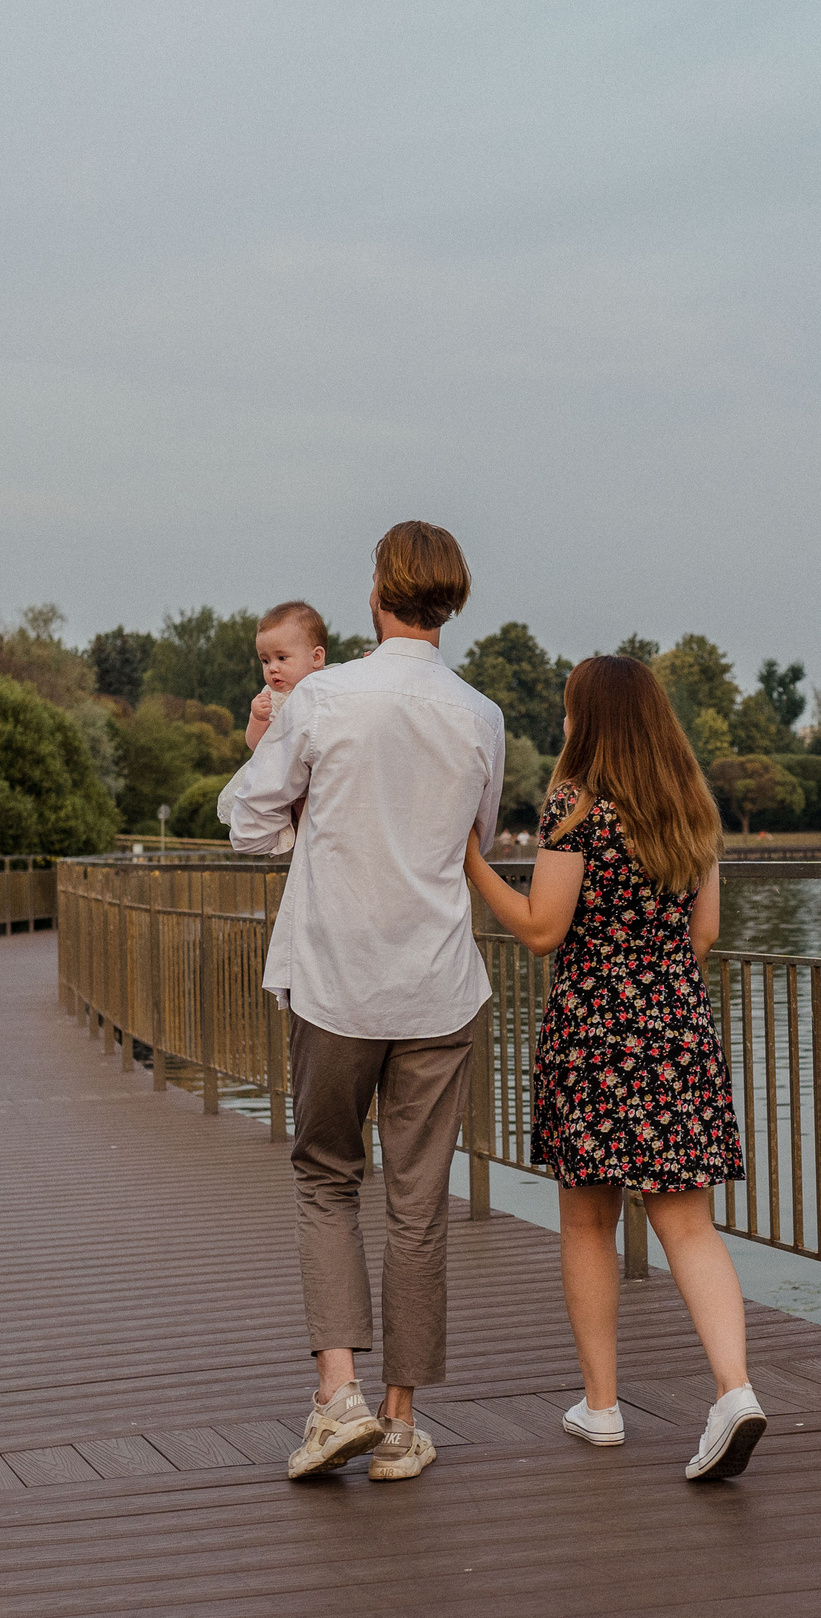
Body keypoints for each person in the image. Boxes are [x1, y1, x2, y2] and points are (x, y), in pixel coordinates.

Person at [223, 521, 504, 1483]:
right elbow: (480, 837)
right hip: (436, 984)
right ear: (450, 600)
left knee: (326, 1179)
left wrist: (289, 791)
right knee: (419, 1206)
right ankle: (399, 1421)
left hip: (336, 978)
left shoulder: (323, 697)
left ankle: (334, 1395)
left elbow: (248, 819)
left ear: (379, 589)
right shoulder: (480, 714)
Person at [461, 654, 767, 1482]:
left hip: (595, 1032)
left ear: (587, 719)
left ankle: (601, 1406)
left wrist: (473, 864)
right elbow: (702, 933)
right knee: (691, 1227)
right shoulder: (691, 806)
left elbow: (540, 928)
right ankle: (734, 1390)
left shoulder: (576, 803)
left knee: (589, 1222)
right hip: (678, 1031)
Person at [244, 599, 331, 750]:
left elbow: (357, 688)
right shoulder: (272, 699)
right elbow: (256, 746)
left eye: (282, 658)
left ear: (316, 657)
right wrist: (258, 719)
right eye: (265, 661)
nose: (272, 668)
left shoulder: (333, 676)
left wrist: (366, 664)